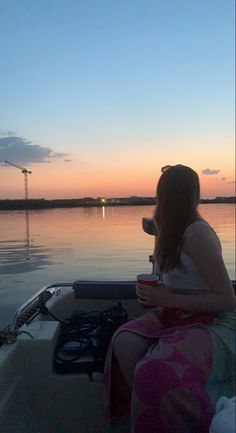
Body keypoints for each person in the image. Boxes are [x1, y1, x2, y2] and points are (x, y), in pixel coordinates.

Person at [104, 164, 235, 433]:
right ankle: (148, 412)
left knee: (153, 370)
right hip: (175, 314)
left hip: (214, 321)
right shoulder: (170, 229)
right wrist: (157, 296)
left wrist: (166, 297)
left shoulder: (197, 234)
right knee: (124, 342)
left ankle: (185, 420)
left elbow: (226, 299)